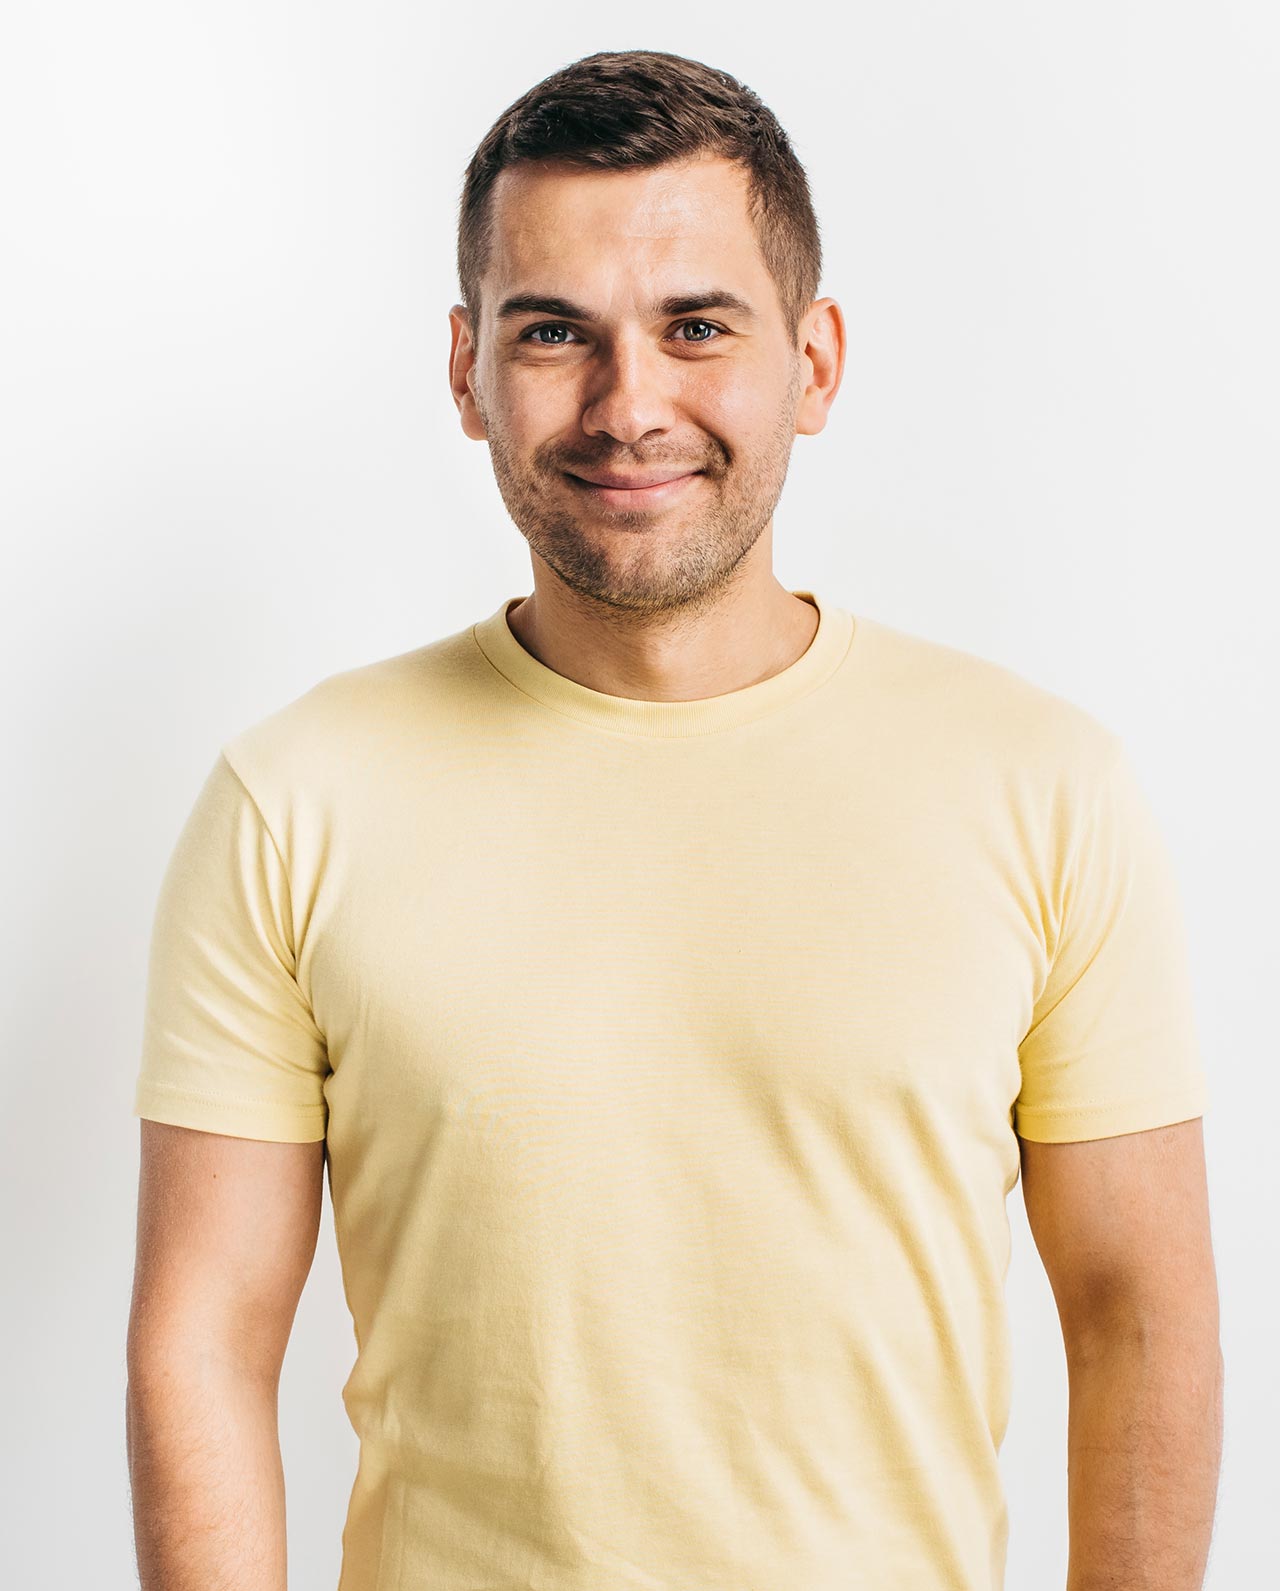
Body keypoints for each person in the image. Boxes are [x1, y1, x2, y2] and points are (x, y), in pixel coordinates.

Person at [126, 48, 1222, 1591]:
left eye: (696, 327)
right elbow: (203, 1344)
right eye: (553, 332)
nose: (627, 405)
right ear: (467, 371)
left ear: (813, 362)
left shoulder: (1046, 788)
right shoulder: (291, 803)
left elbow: (1138, 1317)